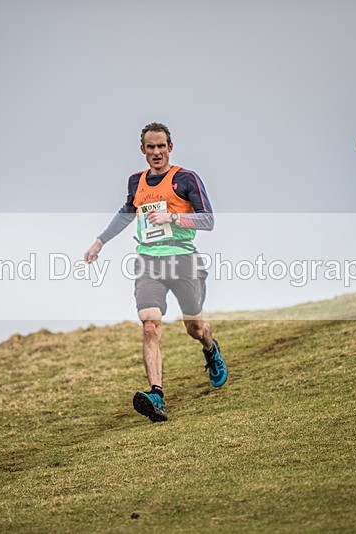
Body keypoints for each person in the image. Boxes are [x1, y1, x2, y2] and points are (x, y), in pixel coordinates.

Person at [84, 122, 227, 422]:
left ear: (170, 147)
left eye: (161, 146)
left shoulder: (185, 179)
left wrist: (172, 217)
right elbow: (126, 213)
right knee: (150, 327)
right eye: (151, 147)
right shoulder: (137, 182)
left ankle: (210, 350)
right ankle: (156, 395)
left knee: (195, 329)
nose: (156, 152)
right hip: (149, 262)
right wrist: (100, 242)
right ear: (143, 150)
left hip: (184, 260)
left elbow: (208, 220)